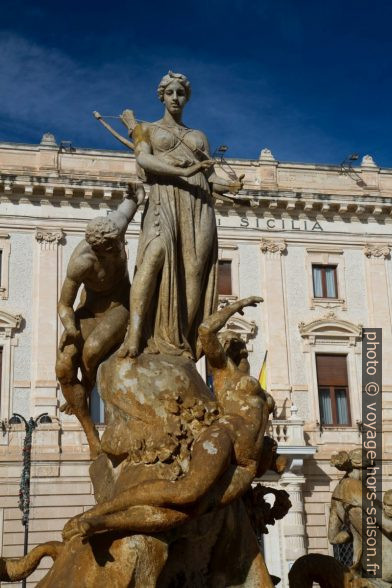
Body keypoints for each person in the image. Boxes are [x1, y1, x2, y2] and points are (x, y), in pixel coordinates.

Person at [62, 297, 274, 538]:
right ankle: (102, 513)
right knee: (186, 492)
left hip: (248, 465)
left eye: (241, 347)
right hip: (226, 436)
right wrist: (235, 307)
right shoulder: (226, 372)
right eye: (231, 345)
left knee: (188, 512)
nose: (239, 350)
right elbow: (206, 330)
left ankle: (107, 521)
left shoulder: (251, 381)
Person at [119, 71, 243, 359]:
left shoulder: (198, 137)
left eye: (181, 93)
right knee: (152, 258)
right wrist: (181, 171)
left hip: (198, 203)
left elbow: (209, 178)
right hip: (164, 198)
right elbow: (143, 158)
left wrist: (232, 186)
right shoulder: (145, 129)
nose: (176, 98)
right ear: (161, 95)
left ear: (187, 98)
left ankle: (178, 345)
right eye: (170, 92)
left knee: (194, 272)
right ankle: (135, 336)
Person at [55, 184, 145, 458]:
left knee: (93, 351)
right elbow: (64, 304)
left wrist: (136, 195)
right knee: (63, 367)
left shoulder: (114, 229)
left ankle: (92, 387)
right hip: (88, 311)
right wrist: (70, 328)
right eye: (112, 248)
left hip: (120, 307)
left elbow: (131, 202)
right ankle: (90, 433)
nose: (119, 250)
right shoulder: (81, 263)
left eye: (119, 244)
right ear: (98, 249)